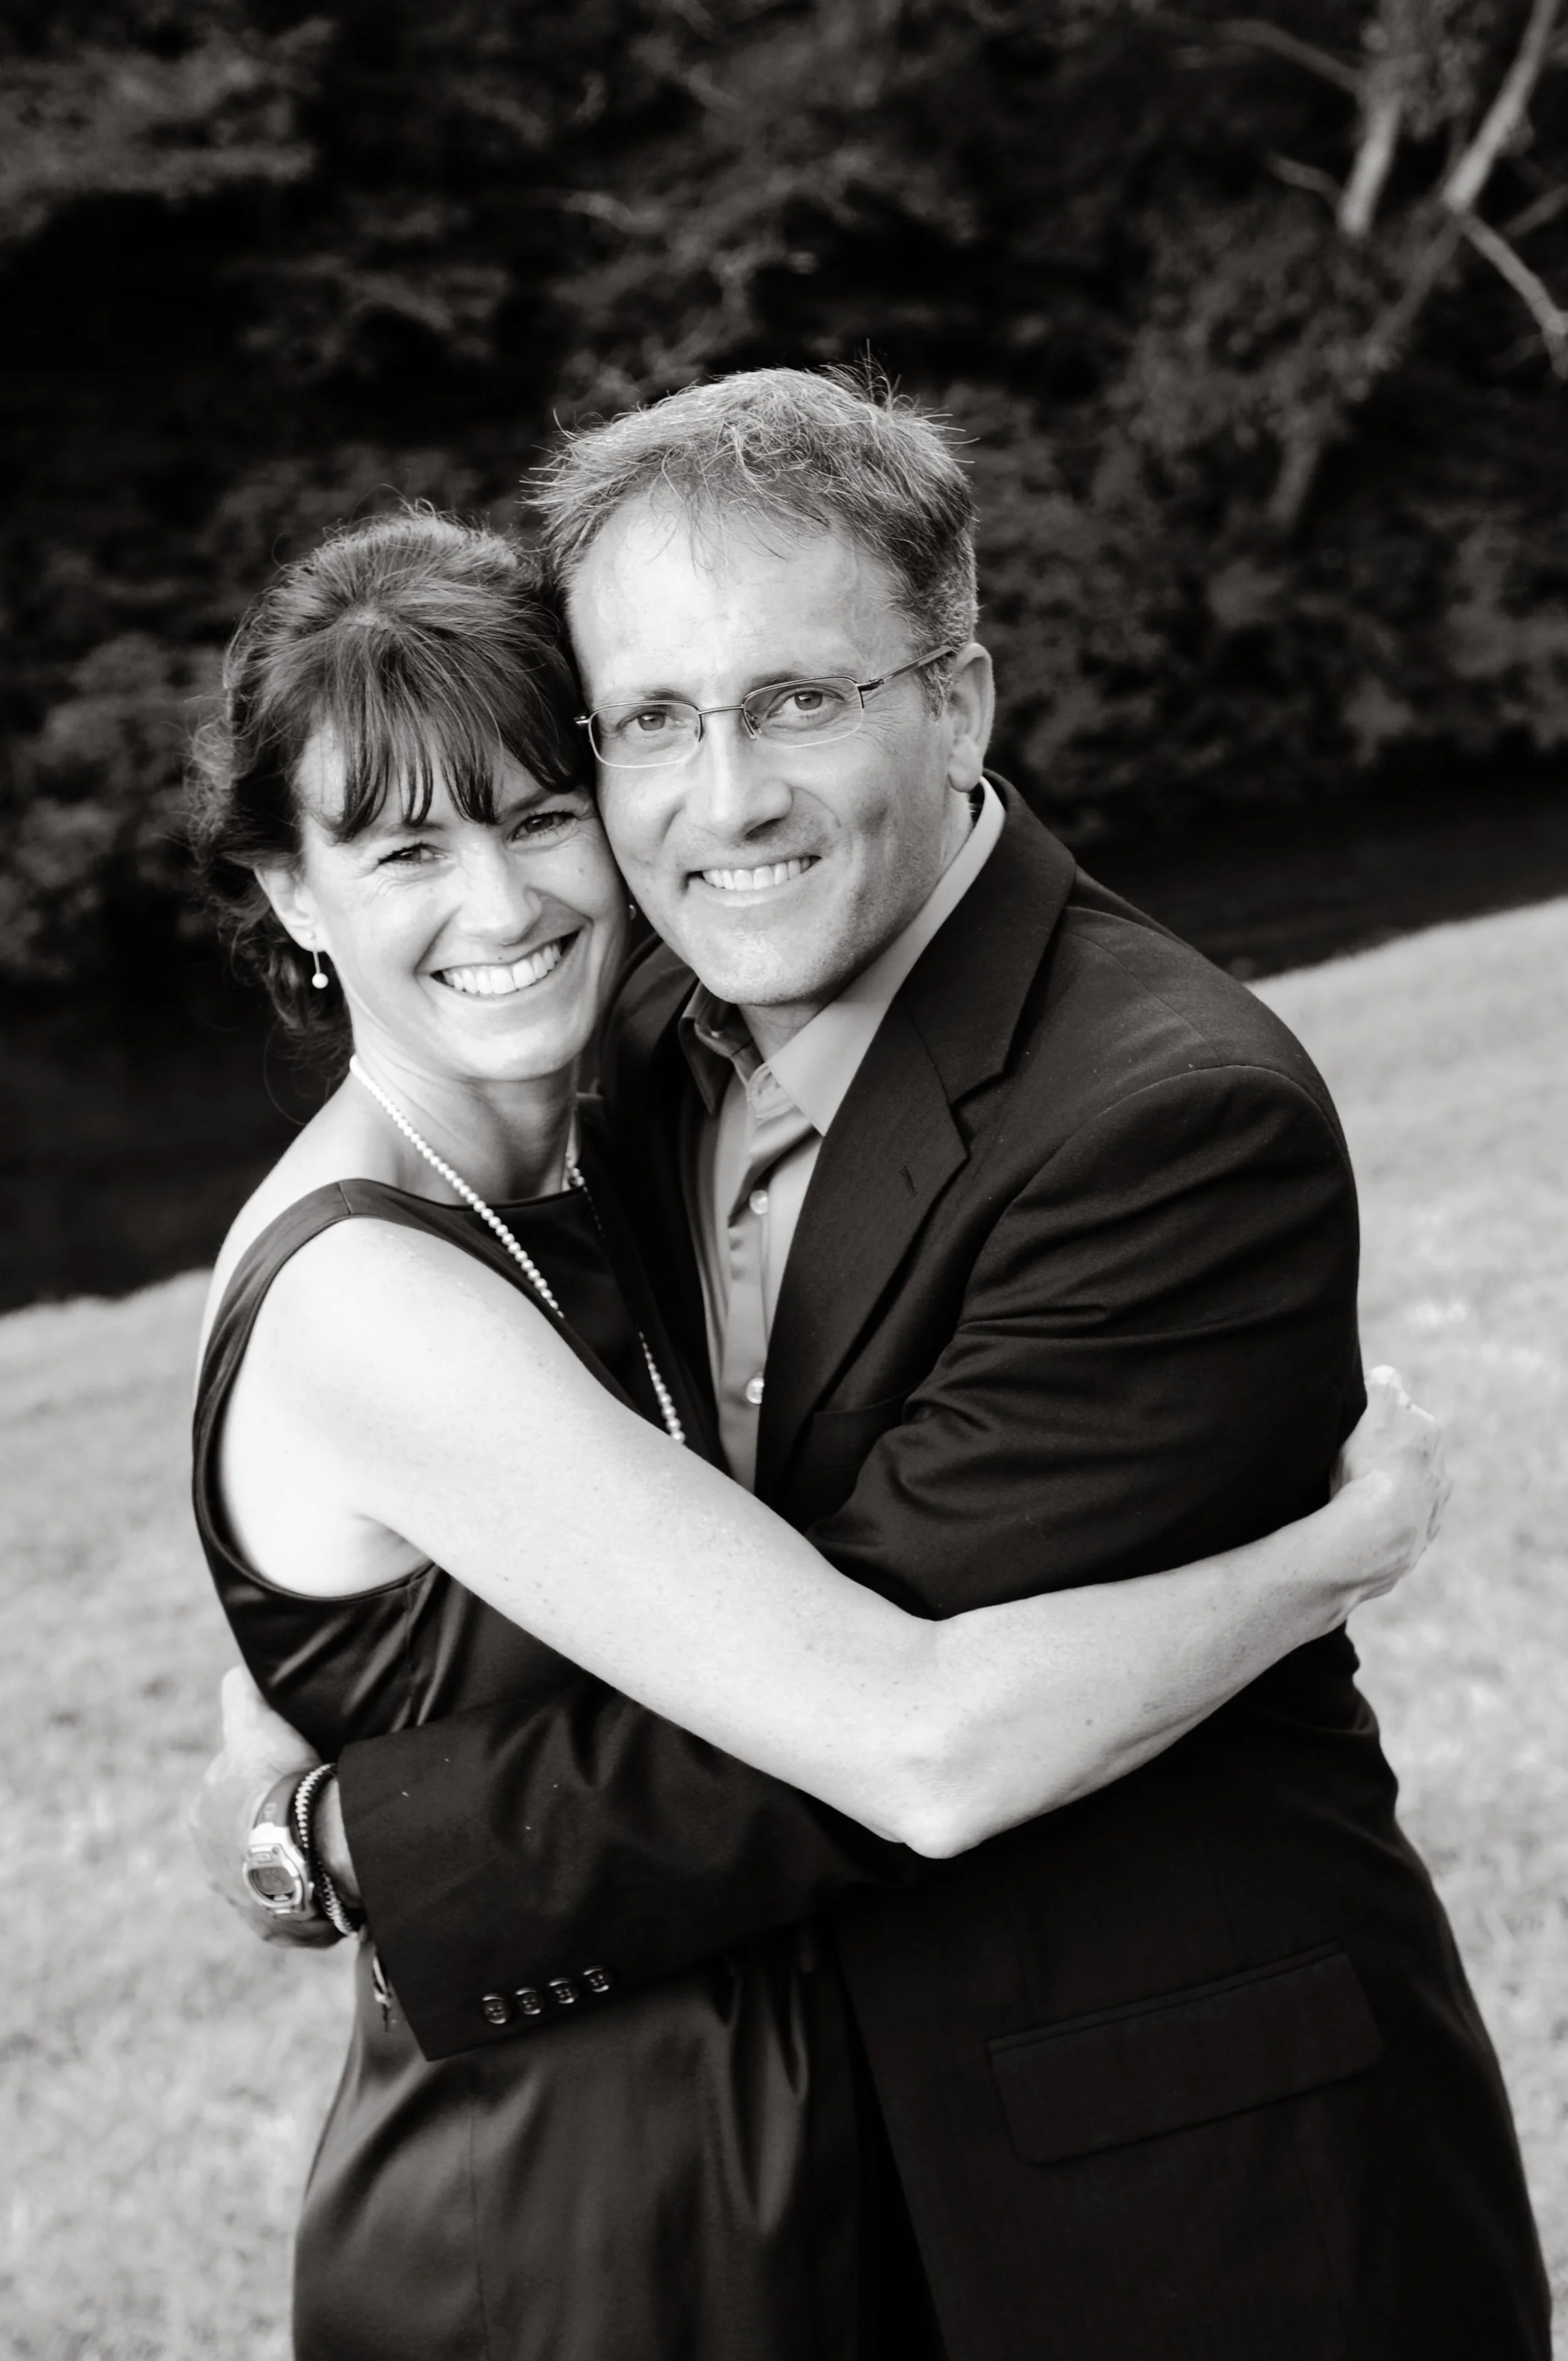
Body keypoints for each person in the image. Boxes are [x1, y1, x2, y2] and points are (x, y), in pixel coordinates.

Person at [191, 371, 1549, 2361]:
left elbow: (902, 1740)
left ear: (961, 700)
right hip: (725, 2196)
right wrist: (1313, 1567)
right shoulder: (642, 1036)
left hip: (1177, 2187)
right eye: (651, 719)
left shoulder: (1166, 1118)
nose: (720, 795)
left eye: (797, 698)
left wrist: (353, 1845)